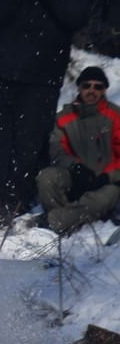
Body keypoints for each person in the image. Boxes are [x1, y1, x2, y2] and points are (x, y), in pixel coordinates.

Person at [0, 0, 89, 224]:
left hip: (40, 82)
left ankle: (18, 198)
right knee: (1, 142)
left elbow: (75, 17)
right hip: (6, 78)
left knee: (28, 143)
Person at [36, 66, 120, 233]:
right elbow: (56, 149)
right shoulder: (64, 116)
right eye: (87, 85)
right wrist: (75, 167)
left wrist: (107, 175)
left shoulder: (115, 116)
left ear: (104, 90)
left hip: (106, 183)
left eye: (98, 87)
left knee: (107, 196)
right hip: (75, 176)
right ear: (79, 88)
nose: (92, 90)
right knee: (46, 178)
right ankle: (70, 219)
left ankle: (53, 221)